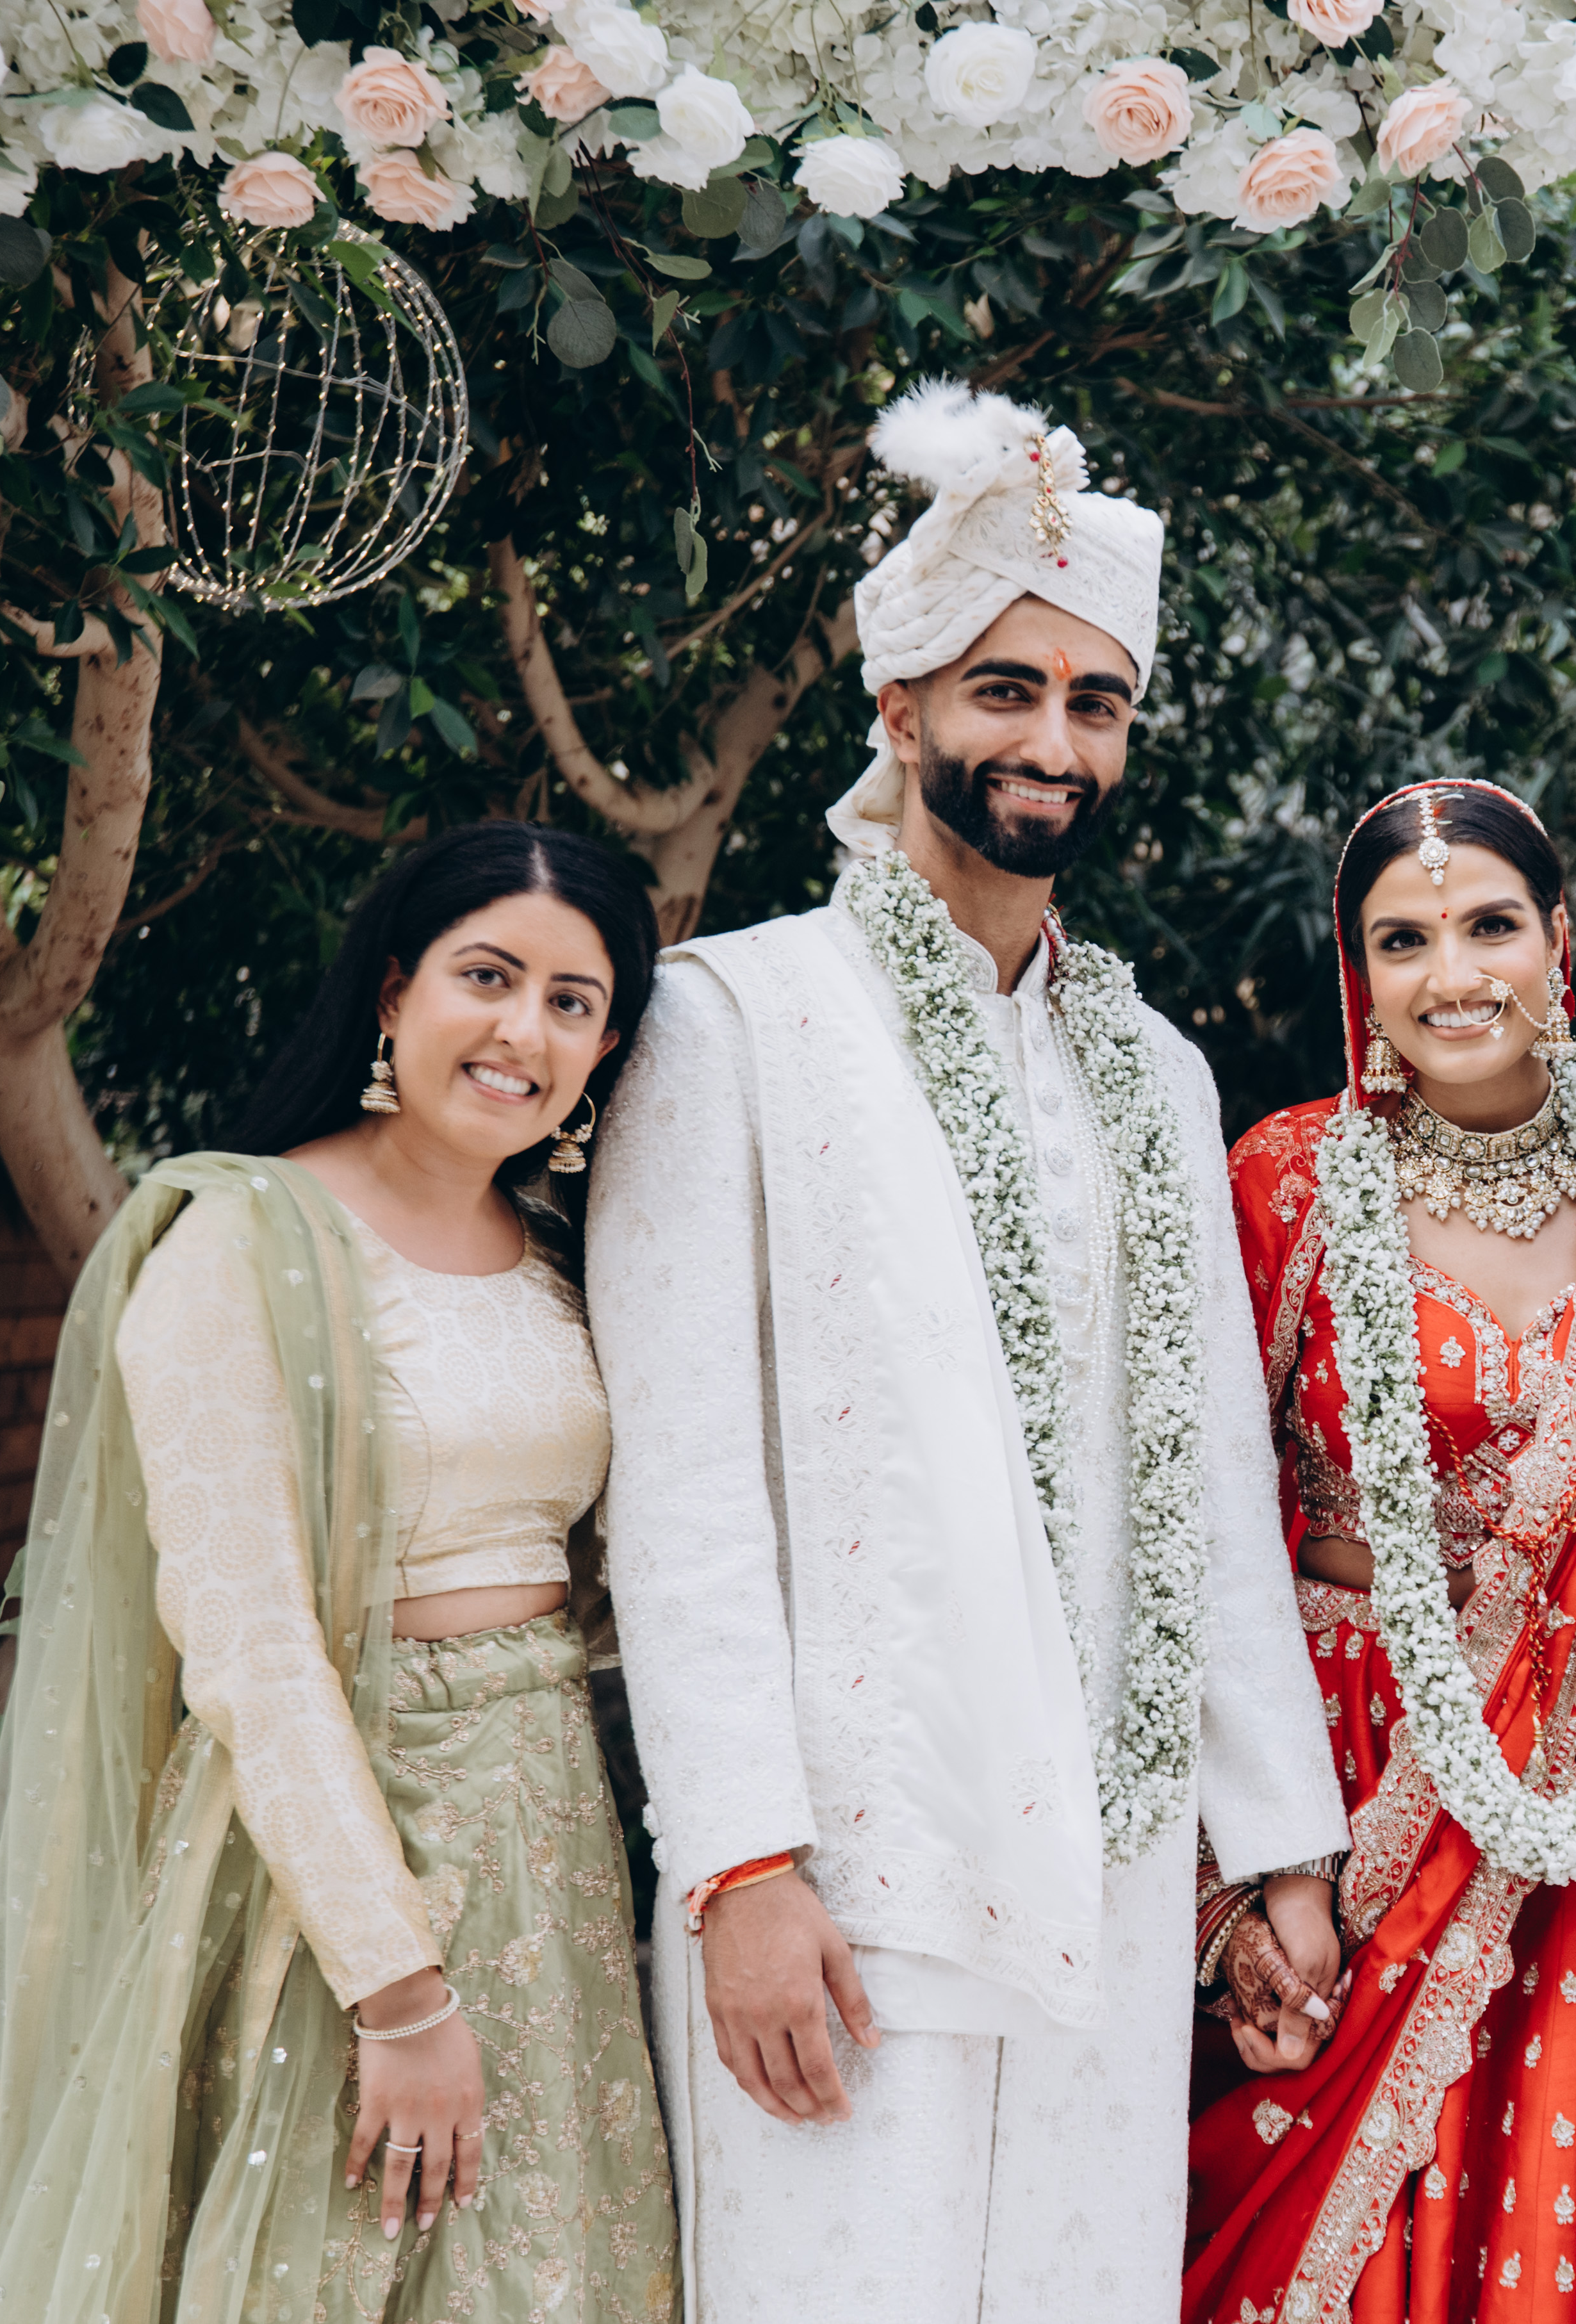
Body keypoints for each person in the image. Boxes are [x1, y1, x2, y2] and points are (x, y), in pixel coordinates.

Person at [581, 384, 1349, 2323]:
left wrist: (1273, 1847)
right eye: (1006, 690)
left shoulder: (1157, 1071)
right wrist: (739, 1864)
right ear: (900, 703)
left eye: (1098, 702)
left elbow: (1211, 1479)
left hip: (1114, 1878)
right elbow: (680, 1490)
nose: (1054, 742)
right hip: (852, 1872)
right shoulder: (733, 1021)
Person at [0, 821, 675, 2322]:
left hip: (551, 1843)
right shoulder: (236, 1241)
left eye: (572, 1000)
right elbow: (247, 1636)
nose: (525, 1030)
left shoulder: (565, 1261)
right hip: (337, 1858)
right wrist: (398, 1984)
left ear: (607, 1044)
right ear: (394, 989)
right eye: (488, 976)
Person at [1182, 779, 1576, 2324]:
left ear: (1560, 937)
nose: (1453, 973)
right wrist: (1237, 1886)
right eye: (1404, 939)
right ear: (1358, 971)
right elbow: (1192, 1533)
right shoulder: (1287, 1179)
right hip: (1347, 1778)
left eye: (1491, 923)